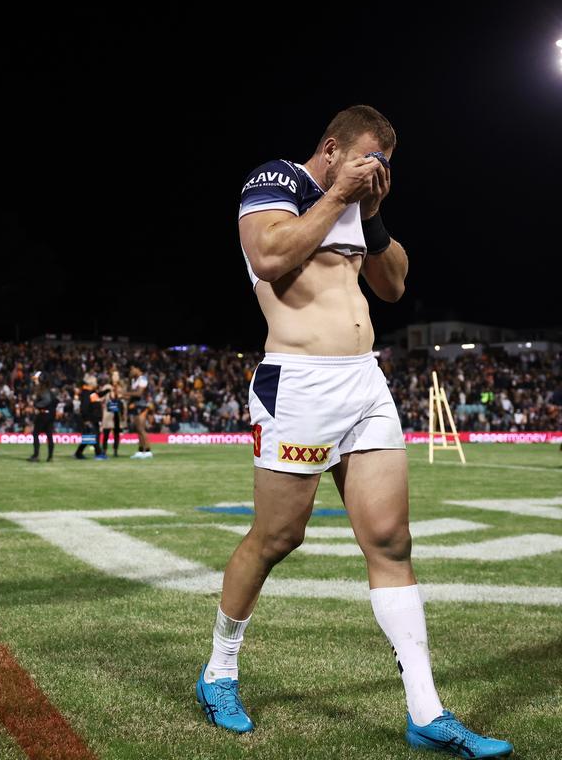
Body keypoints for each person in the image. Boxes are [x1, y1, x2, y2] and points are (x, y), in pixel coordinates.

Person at [195, 105, 512, 758]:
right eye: (369, 160)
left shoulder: (357, 208)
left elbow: (394, 285)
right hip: (300, 384)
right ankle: (219, 670)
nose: (377, 174)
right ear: (333, 148)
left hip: (364, 383)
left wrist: (368, 215)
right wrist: (340, 193)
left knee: (392, 539)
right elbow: (269, 253)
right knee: (278, 536)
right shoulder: (277, 182)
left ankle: (425, 711)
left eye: (386, 167)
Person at [74, 374, 106, 460]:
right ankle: (99, 453)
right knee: (94, 435)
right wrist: (86, 419)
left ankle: (78, 453)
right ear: (91, 383)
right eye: (95, 382)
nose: (96, 383)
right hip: (90, 418)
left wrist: (106, 391)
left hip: (93, 418)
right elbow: (84, 407)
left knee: (88, 436)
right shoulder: (87, 393)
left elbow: (97, 398)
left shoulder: (90, 393)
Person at [28, 370, 55, 462]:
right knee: (49, 435)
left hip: (43, 415)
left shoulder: (43, 390)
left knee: (36, 434)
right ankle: (50, 457)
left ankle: (36, 456)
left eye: (36, 379)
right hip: (49, 415)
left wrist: (36, 405)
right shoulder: (47, 389)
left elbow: (47, 401)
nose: (34, 381)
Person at [128, 366, 153, 459]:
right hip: (135, 406)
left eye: (132, 369)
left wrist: (123, 393)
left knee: (141, 429)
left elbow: (139, 393)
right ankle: (140, 450)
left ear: (137, 369)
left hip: (142, 406)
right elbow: (132, 393)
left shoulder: (143, 379)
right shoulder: (134, 380)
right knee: (138, 429)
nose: (131, 371)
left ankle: (148, 451)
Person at [100, 382, 126, 458]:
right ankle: (104, 450)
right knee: (106, 434)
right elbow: (102, 399)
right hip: (108, 413)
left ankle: (115, 451)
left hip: (117, 414)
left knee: (116, 434)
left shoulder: (120, 386)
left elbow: (123, 400)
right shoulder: (107, 387)